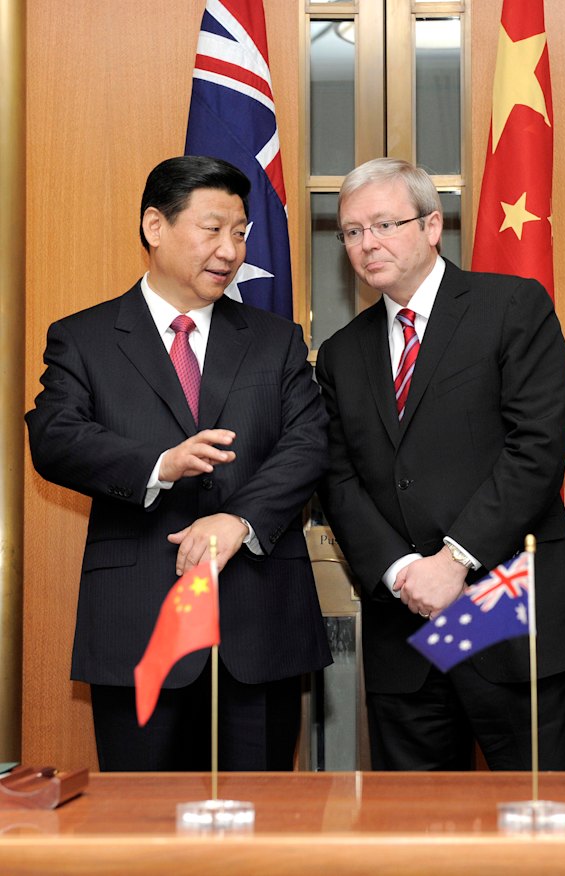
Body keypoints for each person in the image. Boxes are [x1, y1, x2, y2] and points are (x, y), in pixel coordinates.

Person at [26, 155, 331, 772]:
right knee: (140, 831)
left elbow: (310, 441)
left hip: (258, 624)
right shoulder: (82, 338)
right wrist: (159, 463)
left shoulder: (275, 339)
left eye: (242, 232)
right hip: (138, 623)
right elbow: (53, 436)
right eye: (213, 228)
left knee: (260, 832)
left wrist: (239, 521)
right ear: (155, 226)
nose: (231, 249)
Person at [315, 157, 565, 771]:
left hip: (508, 615)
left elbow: (537, 446)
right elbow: (339, 477)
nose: (367, 244)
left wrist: (454, 559)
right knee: (413, 837)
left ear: (432, 225)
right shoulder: (340, 353)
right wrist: (403, 570)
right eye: (352, 232)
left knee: (543, 827)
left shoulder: (511, 306)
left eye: (384, 224)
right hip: (403, 630)